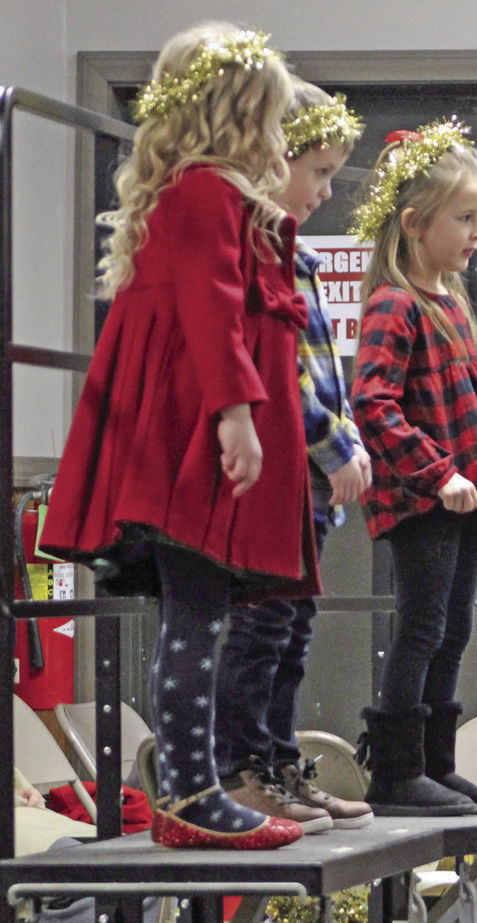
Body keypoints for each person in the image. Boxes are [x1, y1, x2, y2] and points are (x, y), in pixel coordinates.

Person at [40, 23, 311, 850]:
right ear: (237, 112)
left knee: (199, 614)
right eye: (270, 112)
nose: (277, 134)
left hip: (202, 431)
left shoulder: (214, 191)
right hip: (190, 438)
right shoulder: (204, 192)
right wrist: (235, 415)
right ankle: (190, 796)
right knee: (194, 615)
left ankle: (193, 792)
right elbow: (211, 307)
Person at [212, 78, 373, 832]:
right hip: (273, 485)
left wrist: (348, 440)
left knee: (292, 632)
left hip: (305, 493)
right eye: (318, 170)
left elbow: (322, 369)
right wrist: (335, 443)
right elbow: (276, 378)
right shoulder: (251, 251)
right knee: (261, 628)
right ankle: (240, 770)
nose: (326, 189)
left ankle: (278, 765)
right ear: (274, 156)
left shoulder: (295, 256)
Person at [349, 120, 477, 816]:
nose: (476, 232)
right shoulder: (395, 304)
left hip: (463, 500)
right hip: (426, 501)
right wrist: (438, 472)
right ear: (414, 223)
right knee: (421, 627)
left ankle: (436, 767)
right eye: (464, 218)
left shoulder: (450, 300)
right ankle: (396, 770)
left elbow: (468, 406)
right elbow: (372, 402)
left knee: (454, 629)